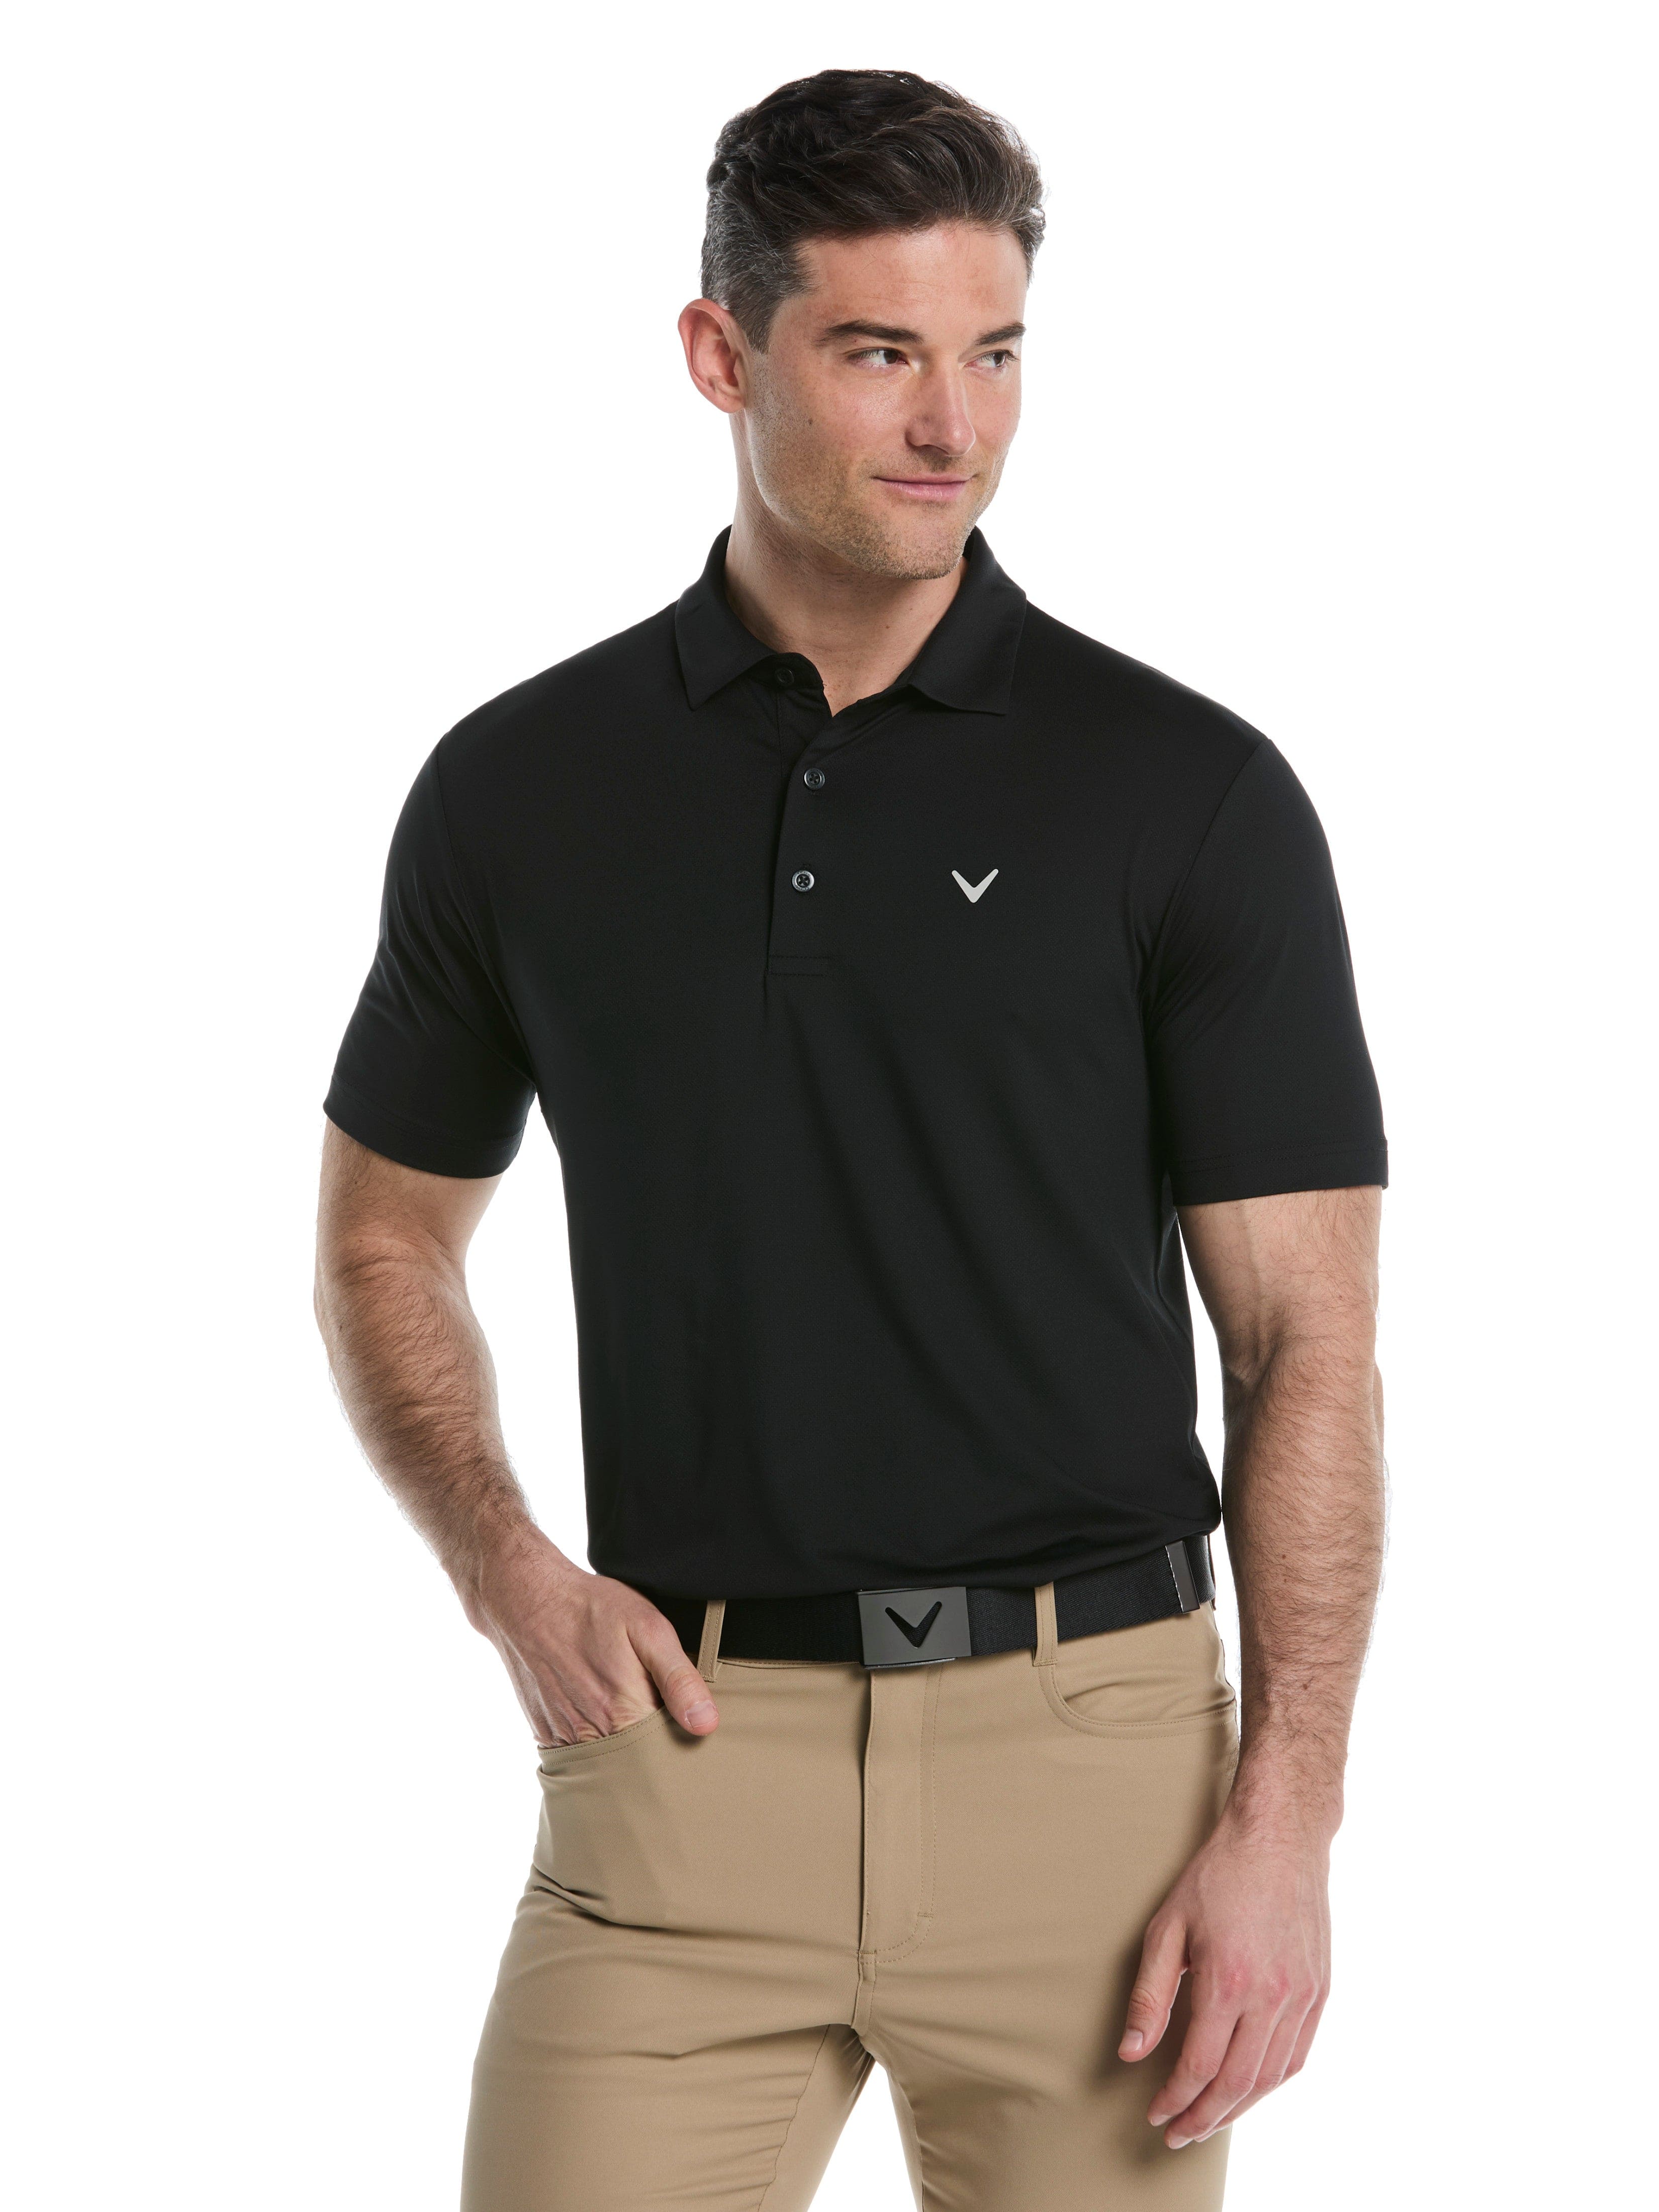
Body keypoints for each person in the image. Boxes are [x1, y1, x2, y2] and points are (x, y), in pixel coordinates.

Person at [314, 66, 1387, 2212]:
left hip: (1093, 1781)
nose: (951, 426)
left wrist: (1287, 1819)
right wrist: (504, 1566)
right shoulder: (520, 790)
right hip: (681, 1776)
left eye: (994, 354)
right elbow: (381, 1238)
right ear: (721, 353)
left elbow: (1306, 1346)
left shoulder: (1186, 792)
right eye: (880, 352)